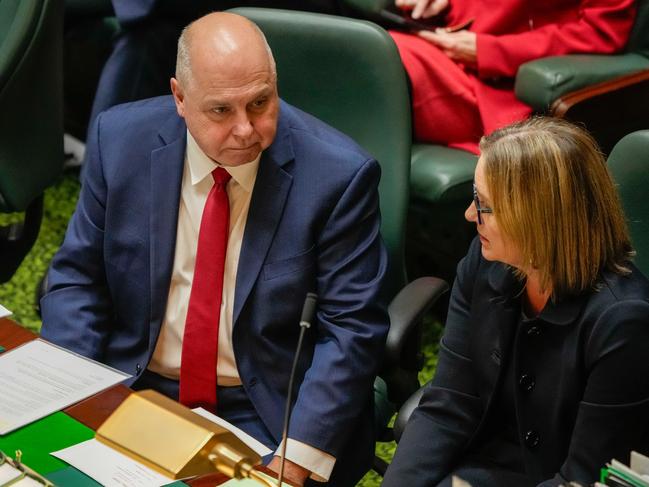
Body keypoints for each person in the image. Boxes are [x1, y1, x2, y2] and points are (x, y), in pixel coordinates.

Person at [41, 12, 389, 487]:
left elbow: (350, 329)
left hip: (264, 412)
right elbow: (78, 279)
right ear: (180, 98)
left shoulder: (338, 177)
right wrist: (72, 394)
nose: (246, 129)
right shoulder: (119, 141)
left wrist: (291, 464)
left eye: (261, 103)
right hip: (134, 387)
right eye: (221, 110)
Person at [382, 117, 649, 486]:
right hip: (485, 468)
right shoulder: (484, 260)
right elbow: (450, 401)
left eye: (483, 204)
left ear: (538, 218)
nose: (469, 214)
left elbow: (583, 478)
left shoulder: (624, 322)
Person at [389, 0, 636, 154]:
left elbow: (599, 33)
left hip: (500, 87)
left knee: (377, 57)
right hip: (443, 44)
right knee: (365, 47)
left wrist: (489, 51)